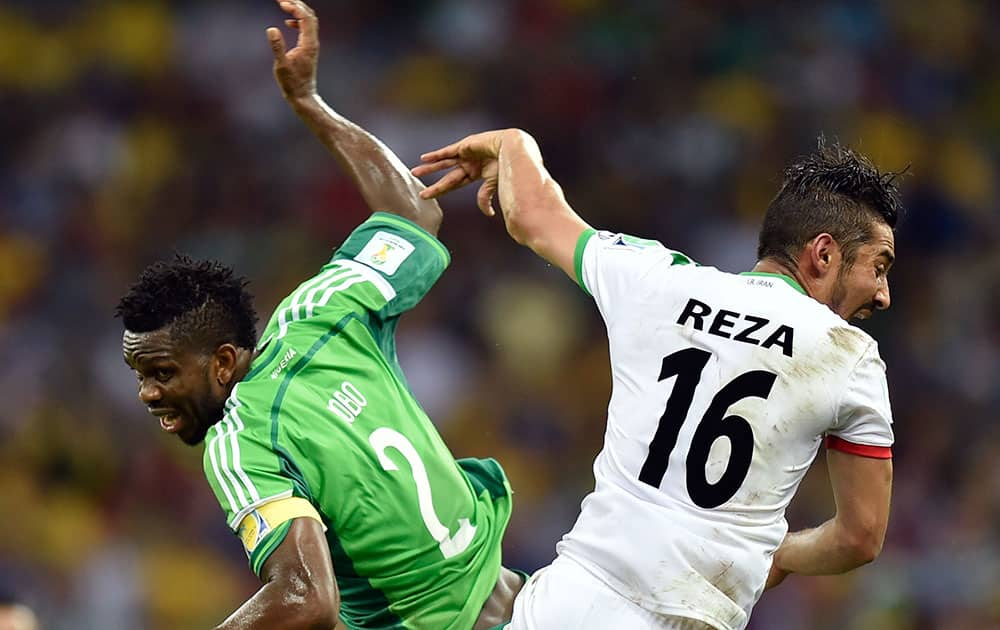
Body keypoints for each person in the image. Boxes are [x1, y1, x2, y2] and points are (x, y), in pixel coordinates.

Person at [116, 2, 522, 628]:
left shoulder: (238, 443)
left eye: (163, 372)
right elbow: (416, 214)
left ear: (224, 362)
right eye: (141, 374)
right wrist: (312, 104)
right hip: (528, 600)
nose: (147, 392)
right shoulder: (321, 310)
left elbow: (306, 601)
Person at [413, 130, 898, 630]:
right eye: (878, 267)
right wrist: (784, 554)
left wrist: (513, 145)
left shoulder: (658, 280)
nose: (881, 294)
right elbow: (860, 537)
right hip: (690, 617)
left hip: (570, 597)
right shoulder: (849, 357)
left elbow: (532, 217)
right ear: (823, 254)